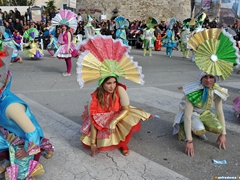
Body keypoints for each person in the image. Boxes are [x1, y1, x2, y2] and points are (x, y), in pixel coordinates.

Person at [77, 35, 154, 157]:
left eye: (114, 82)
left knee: (124, 122)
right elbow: (93, 120)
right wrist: (93, 143)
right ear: (102, 84)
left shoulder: (119, 89)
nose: (112, 86)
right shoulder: (96, 95)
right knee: (98, 126)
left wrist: (114, 121)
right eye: (108, 83)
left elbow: (126, 108)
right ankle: (101, 141)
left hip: (119, 113)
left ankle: (123, 144)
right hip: (102, 116)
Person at [173, 27, 239, 157]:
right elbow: (187, 115)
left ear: (215, 78)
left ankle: (199, 127)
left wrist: (223, 134)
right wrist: (189, 141)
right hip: (191, 115)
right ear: (201, 77)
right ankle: (187, 130)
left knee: (218, 128)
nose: (208, 80)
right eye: (205, 77)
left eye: (211, 77)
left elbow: (219, 112)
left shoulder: (217, 91)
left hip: (205, 113)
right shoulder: (192, 90)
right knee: (198, 129)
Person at [0, 46, 54, 179]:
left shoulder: (10, 107)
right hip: (8, 135)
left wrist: (26, 150)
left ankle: (34, 153)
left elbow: (32, 131)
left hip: (26, 139)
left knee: (19, 175)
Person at [51, 9, 79, 77]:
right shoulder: (62, 32)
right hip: (64, 46)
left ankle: (69, 72)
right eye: (62, 26)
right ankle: (67, 71)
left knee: (68, 59)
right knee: (66, 60)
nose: (63, 27)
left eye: (64, 26)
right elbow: (61, 39)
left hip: (68, 46)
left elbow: (69, 41)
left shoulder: (68, 32)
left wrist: (68, 48)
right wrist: (59, 43)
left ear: (66, 26)